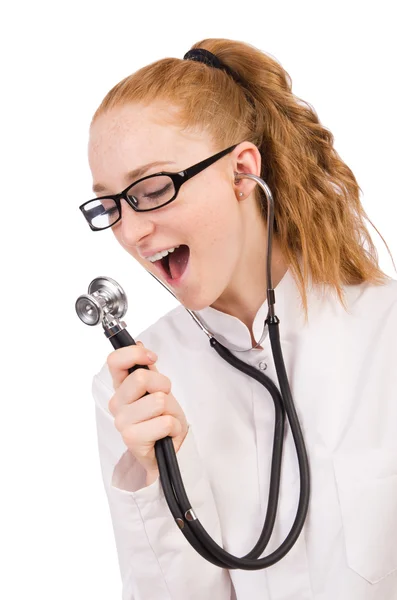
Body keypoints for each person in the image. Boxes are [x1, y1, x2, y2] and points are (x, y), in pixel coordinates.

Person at [82, 38, 397, 600]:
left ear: (241, 172)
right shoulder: (137, 393)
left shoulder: (386, 332)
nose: (130, 233)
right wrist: (160, 474)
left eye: (153, 189)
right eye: (110, 206)